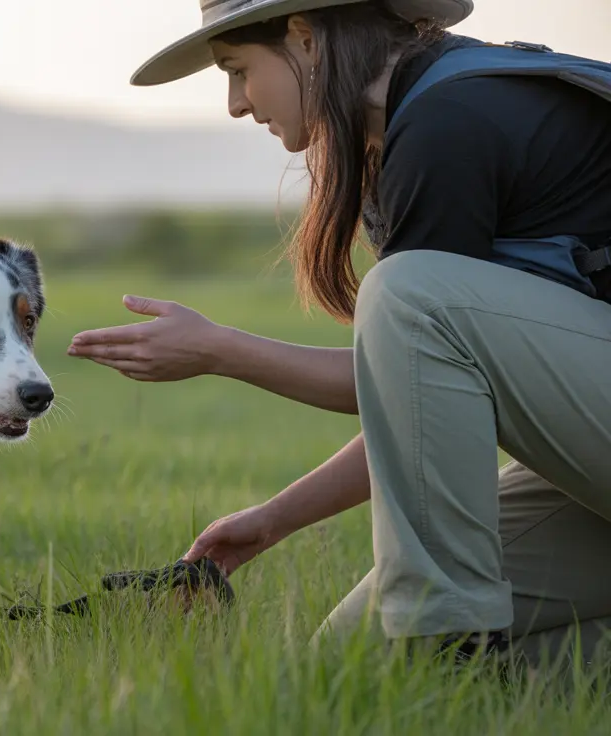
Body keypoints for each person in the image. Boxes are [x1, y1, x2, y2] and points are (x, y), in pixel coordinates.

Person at [67, 0, 611, 670]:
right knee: (355, 666)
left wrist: (220, 350)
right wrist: (273, 519)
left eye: (238, 69)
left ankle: (451, 646)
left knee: (406, 293)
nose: (236, 103)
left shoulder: (451, 121)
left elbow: (408, 348)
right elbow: (419, 394)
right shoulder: (417, 122)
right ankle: (450, 655)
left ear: (304, 38)